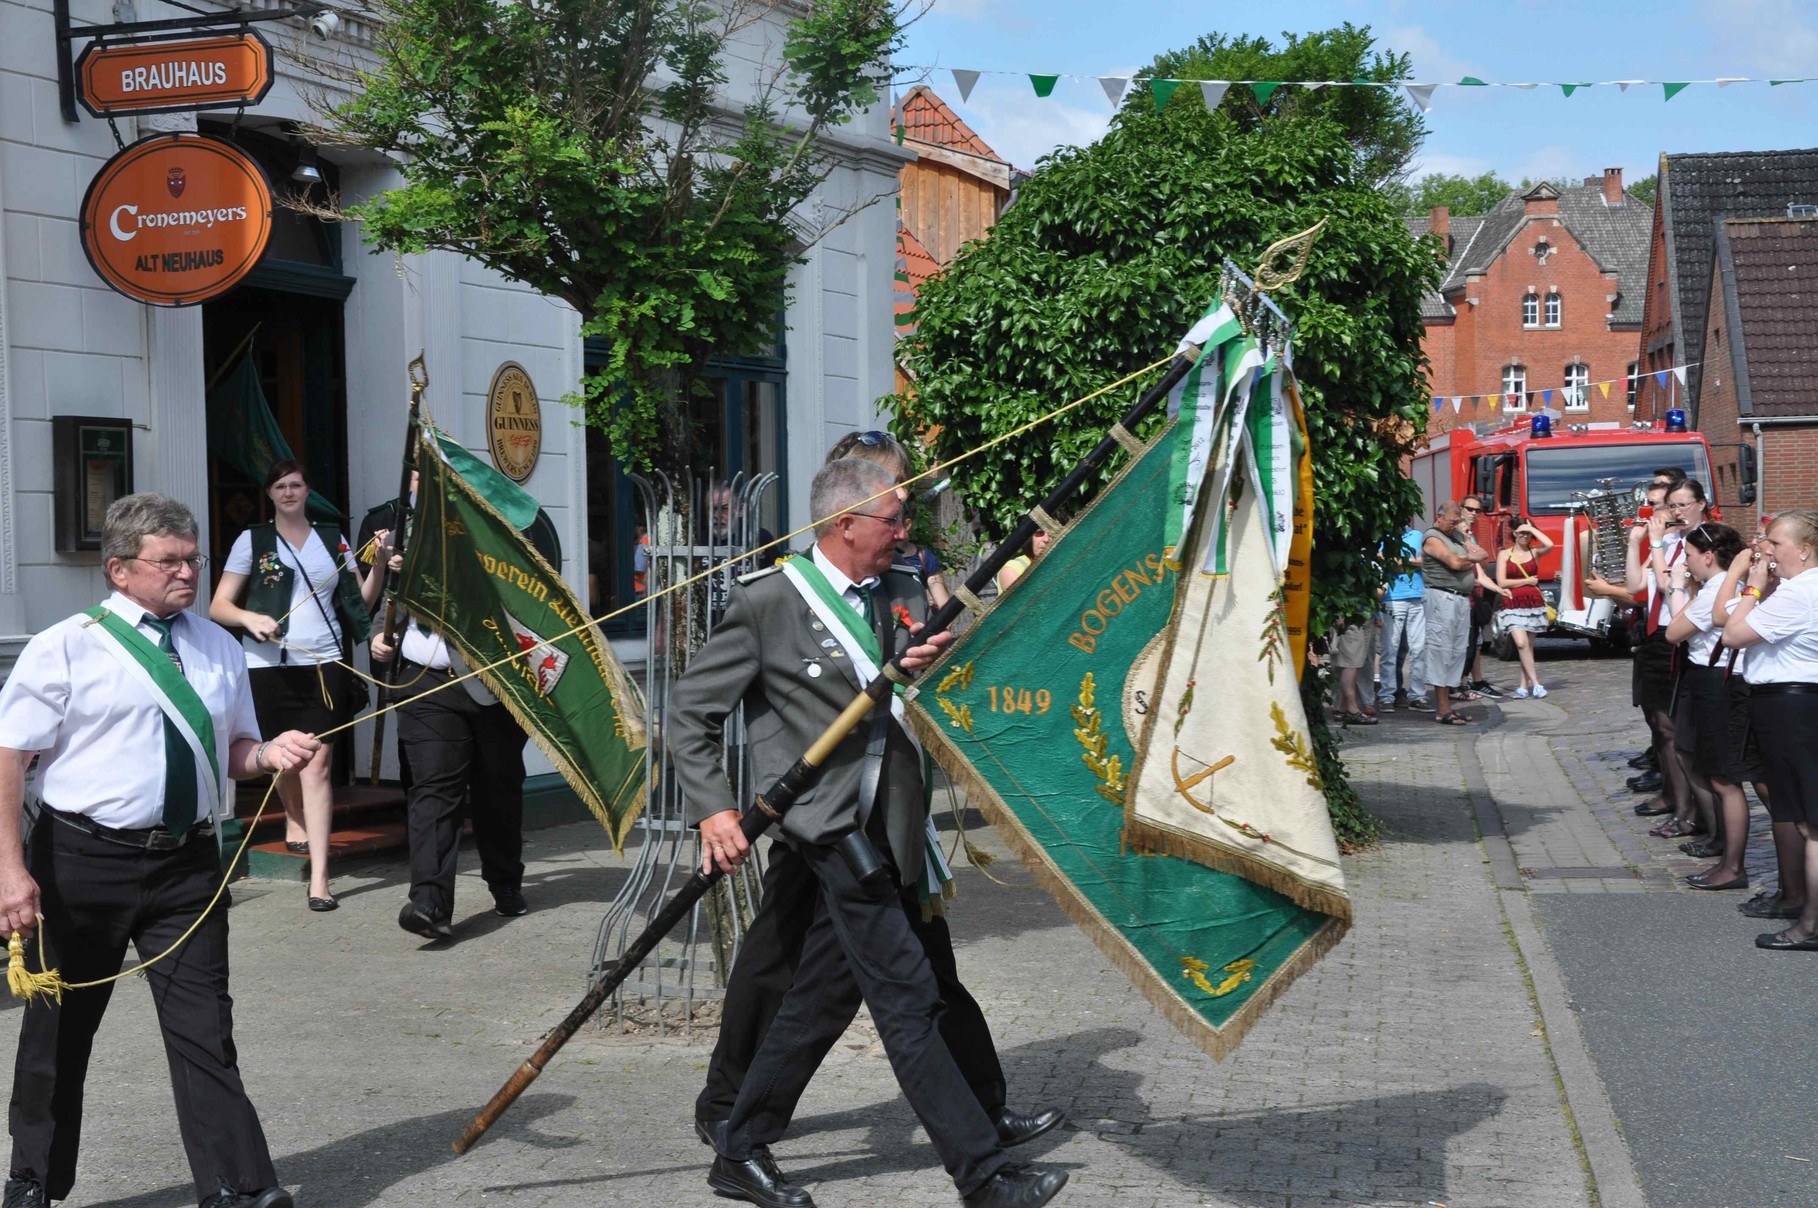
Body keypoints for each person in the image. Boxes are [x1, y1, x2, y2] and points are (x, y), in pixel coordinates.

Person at [673, 458, 1068, 1208]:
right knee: (908, 1000)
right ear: (843, 523)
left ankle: (740, 1143)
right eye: (893, 520)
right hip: (830, 831)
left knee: (825, 998)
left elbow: (924, 696)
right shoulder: (770, 603)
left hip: (897, 826)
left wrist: (938, 663)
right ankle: (982, 1176)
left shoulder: (906, 590)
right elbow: (690, 713)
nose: (905, 532)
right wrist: (715, 810)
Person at [0, 493, 319, 1208]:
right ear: (119, 569)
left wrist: (269, 754)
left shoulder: (216, 645)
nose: (188, 573)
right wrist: (10, 873)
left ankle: (238, 1188)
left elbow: (230, 749)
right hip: (80, 863)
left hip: (188, 866)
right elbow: (8, 758)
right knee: (59, 1034)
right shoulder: (67, 645)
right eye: (170, 561)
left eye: (193, 558)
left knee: (205, 1031)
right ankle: (32, 1182)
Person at [210, 460, 377, 911]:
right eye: (280, 486)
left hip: (323, 664)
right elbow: (218, 606)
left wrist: (378, 569)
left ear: (308, 491)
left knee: (317, 765)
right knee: (283, 759)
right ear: (269, 493)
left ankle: (320, 879)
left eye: (296, 485)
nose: (288, 492)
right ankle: (294, 817)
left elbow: (357, 603)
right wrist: (249, 618)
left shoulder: (332, 538)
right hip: (265, 667)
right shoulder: (253, 540)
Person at [369, 605, 530, 939]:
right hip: (423, 685)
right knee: (432, 789)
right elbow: (393, 597)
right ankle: (429, 903)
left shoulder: (498, 552)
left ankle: (505, 882)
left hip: (495, 686)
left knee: (497, 791)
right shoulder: (414, 552)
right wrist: (377, 636)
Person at [1719, 510, 1818, 950]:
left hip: (1791, 705)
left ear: (1804, 549)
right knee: (1800, 815)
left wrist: (1755, 587)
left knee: (1810, 822)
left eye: (1775, 543)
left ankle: (1810, 923)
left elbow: (1733, 633)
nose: (1766, 551)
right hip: (1791, 704)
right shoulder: (1798, 589)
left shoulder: (1799, 593)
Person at [1663, 523, 1760, 890]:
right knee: (1714, 771)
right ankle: (1725, 855)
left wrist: (1676, 586)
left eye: (1688, 555)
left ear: (1707, 556)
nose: (1685, 562)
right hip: (1710, 681)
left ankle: (1732, 865)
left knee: (1724, 778)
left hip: (1717, 683)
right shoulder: (1715, 589)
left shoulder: (1717, 591)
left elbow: (1673, 632)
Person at [1625, 480, 1697, 833]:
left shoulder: (1696, 544)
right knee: (1657, 723)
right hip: (1655, 634)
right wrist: (1635, 543)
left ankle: (1686, 809)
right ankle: (1672, 796)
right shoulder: (1667, 542)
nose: (1674, 513)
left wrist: (1653, 543)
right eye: (1671, 506)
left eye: (1681, 505)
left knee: (1671, 728)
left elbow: (1670, 587)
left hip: (1677, 635)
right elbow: (1635, 586)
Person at [831, 429, 952, 607]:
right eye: (890, 482)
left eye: (904, 482)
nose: (903, 494)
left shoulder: (907, 584)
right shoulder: (799, 583)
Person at [1423, 502, 1491, 726]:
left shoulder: (1459, 538)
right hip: (1442, 598)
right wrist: (1467, 559)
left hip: (1461, 599)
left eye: (1457, 522)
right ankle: (1442, 709)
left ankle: (1448, 706)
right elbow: (1453, 561)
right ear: (1439, 517)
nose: (1455, 526)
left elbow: (1484, 555)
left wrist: (1467, 556)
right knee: (1441, 651)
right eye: (1452, 522)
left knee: (1457, 652)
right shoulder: (1432, 538)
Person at [1495, 518, 1555, 698]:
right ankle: (1537, 683)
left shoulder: (1534, 552)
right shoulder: (1505, 555)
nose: (1524, 536)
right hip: (1512, 603)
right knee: (1520, 643)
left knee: (1527, 646)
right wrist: (1527, 580)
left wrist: (1531, 528)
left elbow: (1550, 544)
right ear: (1514, 533)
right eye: (1520, 532)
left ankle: (1522, 687)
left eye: (1527, 533)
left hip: (1533, 603)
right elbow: (1502, 581)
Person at [1378, 520, 1429, 711]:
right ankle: (1386, 695)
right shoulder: (1385, 536)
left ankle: (1418, 695)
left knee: (1419, 648)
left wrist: (1399, 561)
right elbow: (1381, 559)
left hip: (1417, 596)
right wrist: (1412, 562)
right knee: (1390, 648)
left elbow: (1426, 561)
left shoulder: (1417, 535)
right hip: (1393, 597)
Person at [1329, 612, 1380, 726]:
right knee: (1350, 664)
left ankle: (1342, 708)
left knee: (1351, 663)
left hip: (1360, 618)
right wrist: (1339, 614)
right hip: (1351, 619)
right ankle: (1352, 710)